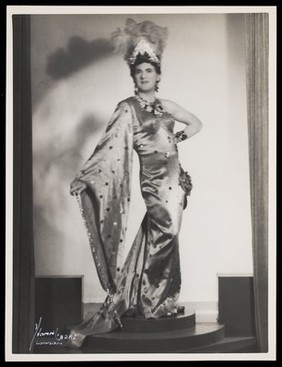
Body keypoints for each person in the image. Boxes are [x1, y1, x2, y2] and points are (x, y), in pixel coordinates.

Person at [67, 19, 202, 349]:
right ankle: (149, 302)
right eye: (139, 71)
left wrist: (177, 137)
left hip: (177, 183)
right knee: (164, 233)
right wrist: (86, 178)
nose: (144, 75)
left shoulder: (167, 106)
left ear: (158, 74)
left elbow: (197, 122)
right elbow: (108, 147)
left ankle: (162, 301)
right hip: (154, 184)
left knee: (163, 238)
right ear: (134, 75)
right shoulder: (127, 109)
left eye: (149, 70)